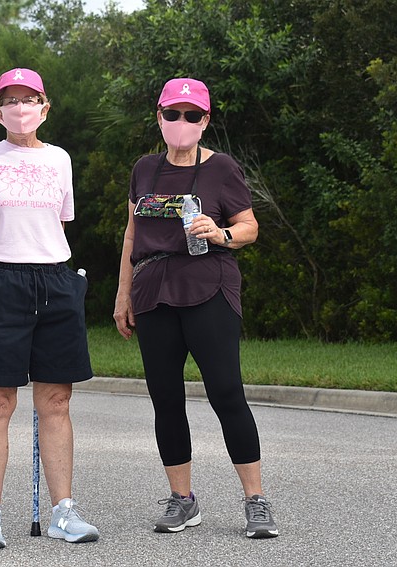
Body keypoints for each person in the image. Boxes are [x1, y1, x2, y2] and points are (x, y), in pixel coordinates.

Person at [113, 77, 279, 539]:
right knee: (165, 399)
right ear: (159, 117)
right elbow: (131, 235)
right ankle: (183, 500)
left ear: (205, 121)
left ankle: (255, 500)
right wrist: (123, 295)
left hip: (209, 285)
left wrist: (221, 232)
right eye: (172, 113)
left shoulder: (222, 168)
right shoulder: (143, 169)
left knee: (226, 392)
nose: (180, 122)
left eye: (191, 115)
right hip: (153, 291)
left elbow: (249, 226)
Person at [0, 67, 100, 550]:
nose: (19, 108)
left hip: (55, 280)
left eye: (28, 98)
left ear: (44, 107)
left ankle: (63, 512)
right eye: (10, 101)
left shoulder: (60, 160)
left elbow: (56, 225)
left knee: (56, 402)